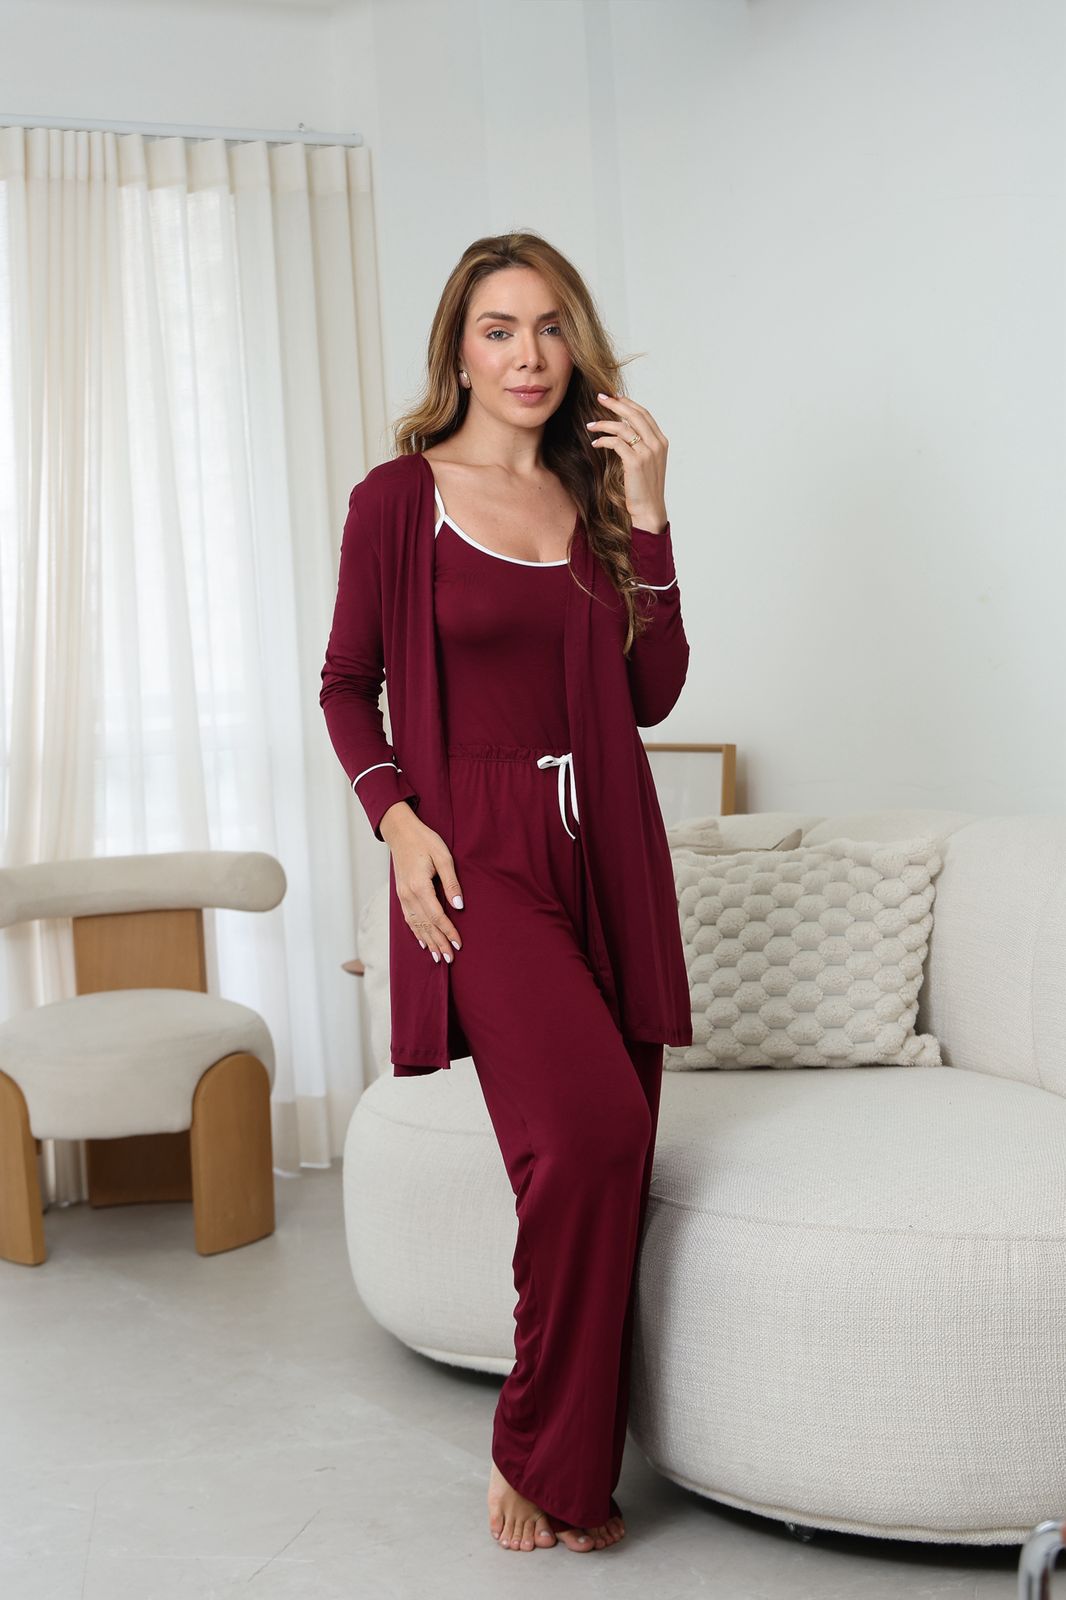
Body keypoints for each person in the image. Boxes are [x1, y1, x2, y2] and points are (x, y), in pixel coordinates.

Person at [320, 231, 691, 1554]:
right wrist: (397, 822)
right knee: (583, 1136)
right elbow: (345, 684)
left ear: (575, 347)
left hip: (607, 846)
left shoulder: (595, 500)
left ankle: (571, 1464)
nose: (526, 354)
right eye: (497, 329)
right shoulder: (398, 498)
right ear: (459, 353)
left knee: (608, 1150)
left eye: (548, 327)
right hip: (475, 852)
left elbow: (651, 695)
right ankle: (532, 1444)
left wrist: (650, 511)